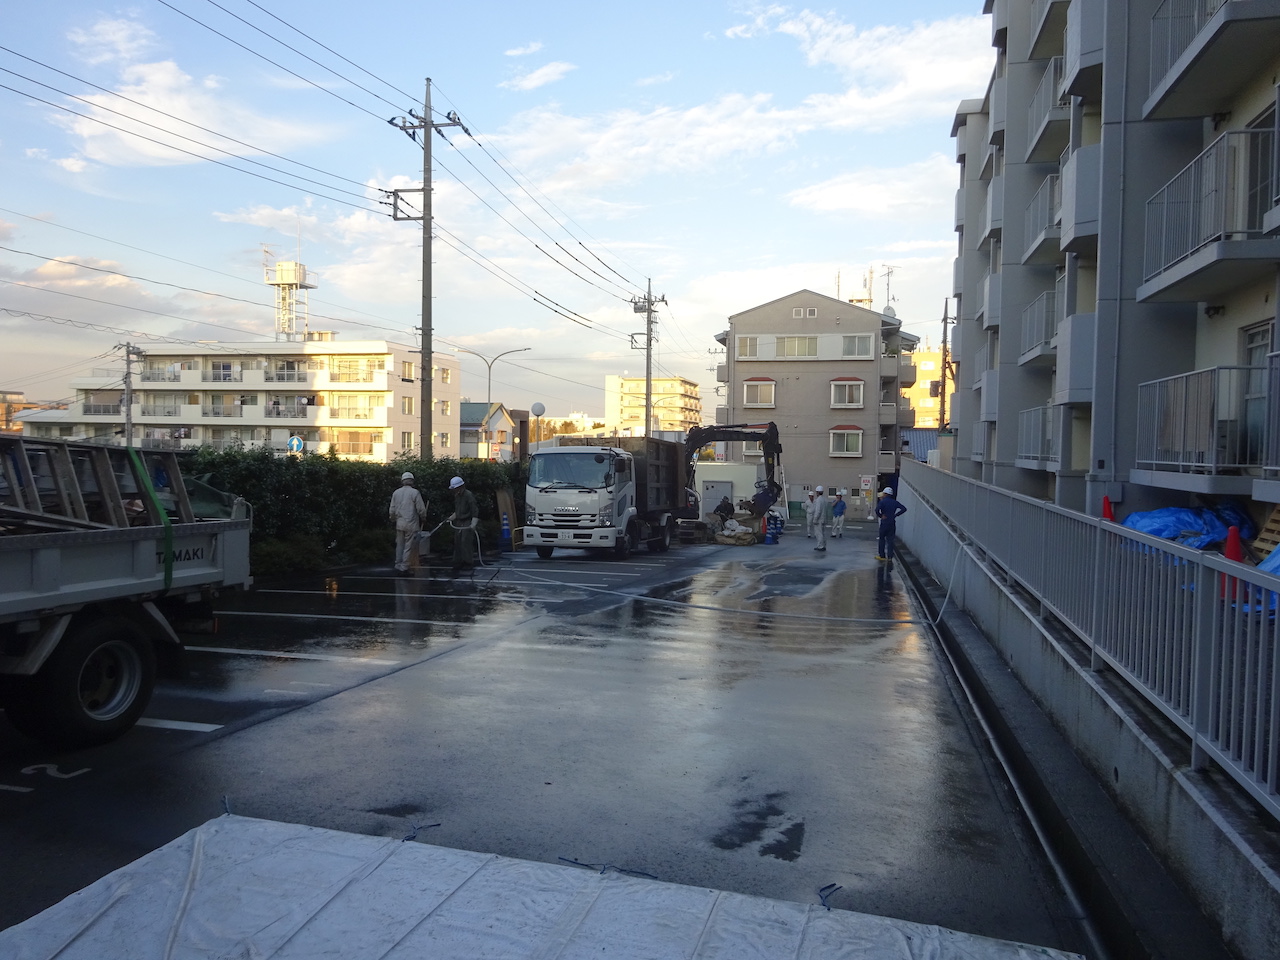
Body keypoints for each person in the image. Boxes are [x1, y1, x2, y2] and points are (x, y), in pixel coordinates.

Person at [388, 471, 427, 573]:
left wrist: (393, 519)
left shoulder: (396, 493)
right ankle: (404, 566)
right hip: (411, 524)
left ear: (402, 481)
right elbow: (421, 509)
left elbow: (392, 509)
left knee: (400, 545)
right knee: (408, 546)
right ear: (412, 481)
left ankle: (398, 564)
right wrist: (423, 517)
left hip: (400, 523)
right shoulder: (415, 493)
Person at [448, 475, 480, 575]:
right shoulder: (457, 496)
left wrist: (474, 521)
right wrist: (453, 516)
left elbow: (474, 509)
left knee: (465, 541)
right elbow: (458, 509)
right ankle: (458, 561)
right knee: (457, 541)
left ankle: (468, 562)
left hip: (467, 521)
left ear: (460, 487)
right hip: (459, 521)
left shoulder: (468, 495)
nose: (454, 490)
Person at [875, 487, 907, 561]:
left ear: (885, 494)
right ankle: (890, 557)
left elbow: (876, 510)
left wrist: (881, 516)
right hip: (892, 522)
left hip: (884, 522)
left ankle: (882, 556)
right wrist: (896, 515)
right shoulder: (894, 502)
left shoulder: (882, 502)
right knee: (890, 540)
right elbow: (904, 509)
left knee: (882, 539)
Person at [809, 485, 830, 552]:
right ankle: (824, 545)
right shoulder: (825, 500)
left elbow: (818, 511)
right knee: (823, 533)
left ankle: (820, 546)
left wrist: (815, 519)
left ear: (817, 492)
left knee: (819, 533)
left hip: (819, 520)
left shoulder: (818, 500)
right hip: (824, 519)